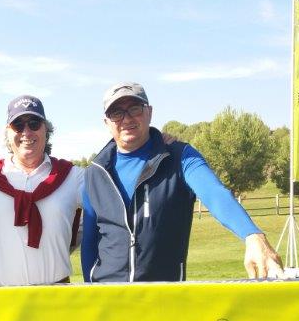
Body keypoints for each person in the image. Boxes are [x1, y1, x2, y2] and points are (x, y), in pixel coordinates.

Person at [81, 82, 283, 282]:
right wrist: (89, 290)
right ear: (107, 122)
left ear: (149, 112)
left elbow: (215, 194)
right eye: (116, 113)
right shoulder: (95, 173)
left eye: (134, 109)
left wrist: (252, 236)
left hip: (165, 296)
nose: (126, 119)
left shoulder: (180, 157)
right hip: (107, 297)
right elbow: (90, 242)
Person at [0, 95, 83, 286]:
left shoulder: (73, 177)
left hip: (56, 297)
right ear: (8, 132)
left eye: (34, 123)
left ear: (46, 130)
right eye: (18, 125)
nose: (26, 132)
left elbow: (100, 217)